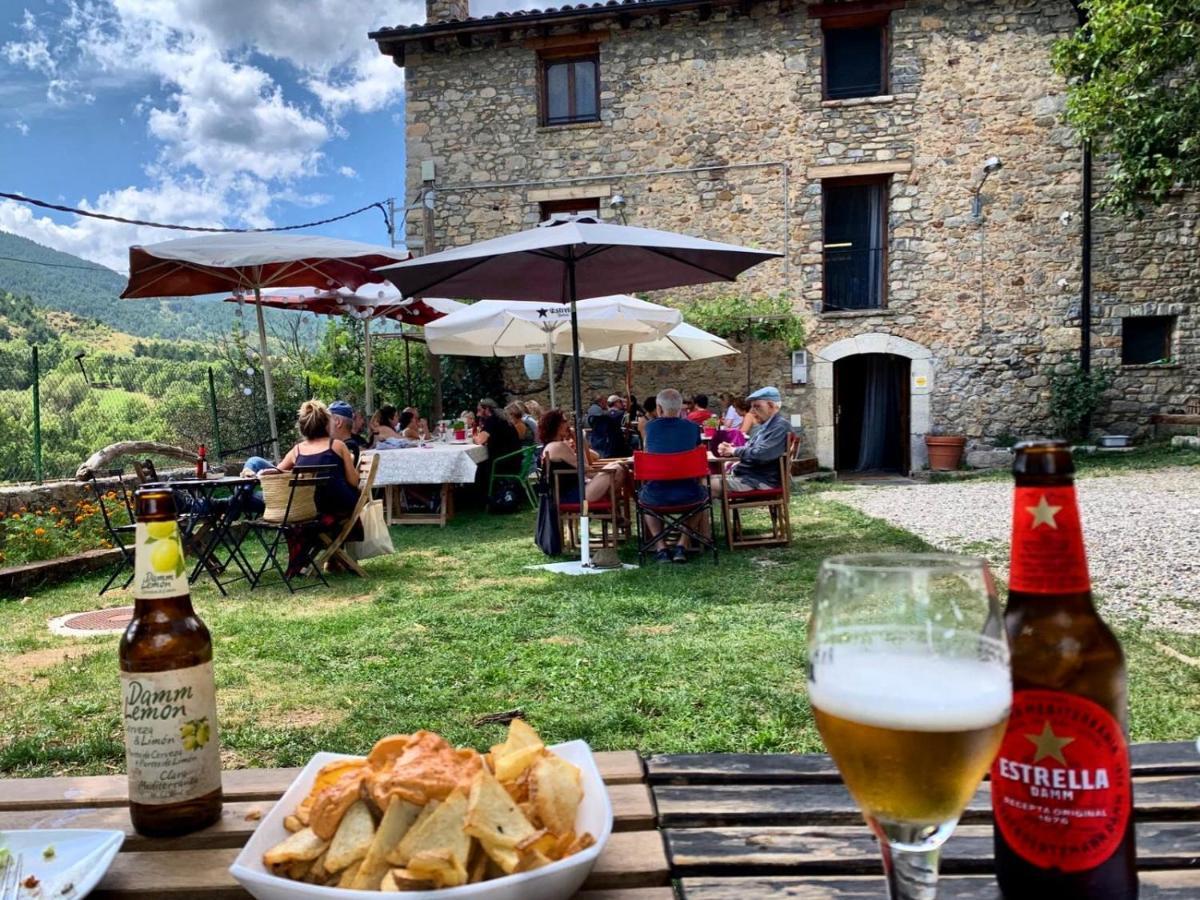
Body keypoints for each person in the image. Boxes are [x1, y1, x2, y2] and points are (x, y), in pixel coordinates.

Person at [640, 388, 707, 564]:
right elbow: (697, 454)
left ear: (659, 409)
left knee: (646, 497)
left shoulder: (650, 427)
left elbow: (648, 452)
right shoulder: (693, 428)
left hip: (656, 496)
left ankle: (661, 547)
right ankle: (681, 545)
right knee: (702, 496)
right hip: (688, 494)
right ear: (681, 409)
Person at [539, 408, 627, 513]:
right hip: (575, 496)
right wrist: (578, 439)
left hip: (568, 494)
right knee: (618, 468)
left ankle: (609, 510)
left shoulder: (551, 446)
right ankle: (610, 511)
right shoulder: (558, 446)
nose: (568, 424)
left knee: (615, 467)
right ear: (557, 425)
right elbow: (587, 470)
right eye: (565, 421)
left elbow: (590, 462)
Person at [713, 386, 791, 495]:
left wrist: (734, 451)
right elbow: (751, 448)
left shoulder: (780, 426)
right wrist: (730, 450)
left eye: (757, 406)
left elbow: (763, 454)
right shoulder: (766, 426)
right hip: (749, 476)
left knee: (706, 485)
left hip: (758, 480)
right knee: (702, 480)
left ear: (771, 406)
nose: (752, 411)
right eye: (752, 407)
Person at [475, 398, 522, 478]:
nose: (477, 414)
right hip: (514, 460)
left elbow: (480, 440)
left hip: (504, 463)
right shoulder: (503, 418)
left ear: (487, 409)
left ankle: (480, 490)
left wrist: (473, 438)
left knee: (477, 465)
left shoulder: (492, 420)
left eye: (479, 410)